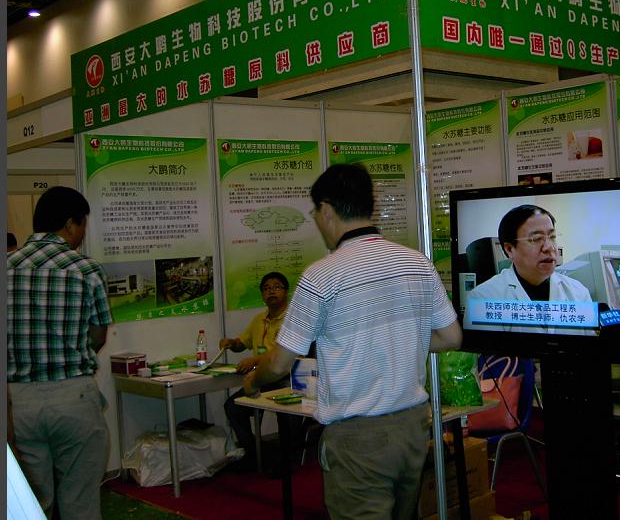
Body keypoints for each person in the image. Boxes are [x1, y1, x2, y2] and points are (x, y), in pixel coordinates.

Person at [244, 163, 462, 519]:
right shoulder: (416, 262)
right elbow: (451, 336)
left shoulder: (321, 276)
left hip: (358, 437)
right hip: (412, 428)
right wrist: (401, 340)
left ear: (326, 210)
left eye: (315, 213)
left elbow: (280, 363)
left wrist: (254, 381)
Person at [7, 186, 113, 520]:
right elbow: (98, 334)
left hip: (16, 404)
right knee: (80, 501)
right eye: (82, 225)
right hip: (73, 396)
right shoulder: (86, 269)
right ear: (70, 224)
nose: (82, 234)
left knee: (30, 504)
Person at [468, 204, 591, 332]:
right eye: (536, 239)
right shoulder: (483, 298)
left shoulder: (579, 293)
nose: (550, 247)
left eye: (552, 237)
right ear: (509, 249)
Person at [220, 271, 292, 464]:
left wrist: (256, 360)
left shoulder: (293, 319)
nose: (271, 291)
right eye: (266, 288)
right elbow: (242, 343)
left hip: (286, 378)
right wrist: (231, 343)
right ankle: (252, 451)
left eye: (276, 287)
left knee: (286, 412)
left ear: (286, 291)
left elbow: (287, 354)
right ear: (262, 295)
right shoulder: (259, 319)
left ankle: (286, 460)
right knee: (233, 407)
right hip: (261, 379)